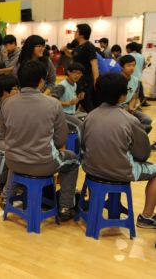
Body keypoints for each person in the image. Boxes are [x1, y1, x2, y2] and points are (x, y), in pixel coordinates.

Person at [1, 60, 79, 221]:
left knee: (18, 152)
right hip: (43, 165)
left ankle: (6, 196)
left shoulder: (7, 103)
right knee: (73, 161)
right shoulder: (53, 104)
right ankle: (65, 206)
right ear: (41, 81)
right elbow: (60, 139)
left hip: (13, 162)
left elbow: (4, 133)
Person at [81, 73, 156, 228]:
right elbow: (143, 154)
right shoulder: (130, 120)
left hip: (92, 169)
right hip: (119, 171)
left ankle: (96, 207)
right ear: (123, 95)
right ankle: (146, 217)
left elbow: (83, 145)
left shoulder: (89, 117)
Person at [118, 55, 152, 133]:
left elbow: (134, 96)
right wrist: (125, 110)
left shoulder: (136, 81)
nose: (132, 68)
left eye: (133, 65)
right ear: (122, 67)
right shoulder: (116, 79)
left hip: (128, 106)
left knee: (147, 120)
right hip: (117, 107)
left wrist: (131, 107)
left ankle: (136, 139)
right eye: (128, 65)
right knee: (132, 122)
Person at [51, 63, 85, 132]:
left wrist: (78, 98)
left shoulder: (74, 84)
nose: (77, 75)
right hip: (62, 115)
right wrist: (69, 103)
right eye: (75, 73)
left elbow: (70, 98)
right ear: (68, 72)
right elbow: (53, 101)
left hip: (71, 114)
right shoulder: (62, 86)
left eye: (80, 73)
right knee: (80, 126)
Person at [73, 24, 99, 112]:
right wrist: (65, 50)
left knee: (86, 103)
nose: (74, 33)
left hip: (85, 81)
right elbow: (74, 56)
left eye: (76, 31)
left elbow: (94, 64)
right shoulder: (78, 46)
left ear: (81, 34)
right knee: (78, 102)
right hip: (77, 80)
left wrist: (96, 81)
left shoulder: (89, 46)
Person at [126, 42, 149, 107]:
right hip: (138, 78)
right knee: (136, 95)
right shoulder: (141, 56)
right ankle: (136, 106)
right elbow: (143, 67)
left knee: (130, 94)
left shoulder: (128, 56)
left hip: (130, 78)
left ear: (130, 48)